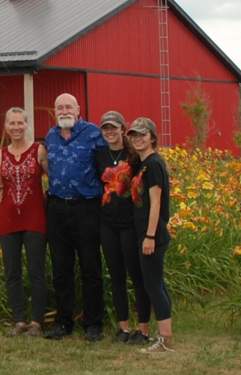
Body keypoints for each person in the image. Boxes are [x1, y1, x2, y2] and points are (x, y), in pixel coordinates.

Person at [42, 92, 107, 341]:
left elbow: (109, 165)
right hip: (57, 209)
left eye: (69, 106)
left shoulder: (94, 134)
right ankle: (63, 322)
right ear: (55, 111)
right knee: (61, 268)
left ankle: (93, 324)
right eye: (59, 107)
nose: (64, 111)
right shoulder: (51, 136)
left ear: (78, 109)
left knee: (90, 267)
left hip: (86, 208)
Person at [94, 111, 150, 345]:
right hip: (107, 222)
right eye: (105, 128)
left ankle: (143, 329)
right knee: (116, 276)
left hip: (129, 224)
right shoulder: (98, 155)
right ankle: (123, 327)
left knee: (137, 277)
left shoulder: (134, 155)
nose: (109, 132)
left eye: (114, 128)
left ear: (122, 129)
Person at [0, 107, 47, 337]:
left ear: (26, 125)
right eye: (11, 123)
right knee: (12, 271)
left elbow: (51, 179)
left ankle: (37, 322)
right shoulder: (0, 155)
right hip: (7, 219)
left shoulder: (38, 150)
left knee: (37, 270)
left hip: (35, 217)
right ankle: (19, 320)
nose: (16, 127)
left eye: (20, 123)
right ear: (6, 127)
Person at [128, 117, 175, 353]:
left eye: (142, 134)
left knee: (153, 285)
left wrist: (150, 236)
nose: (137, 138)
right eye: (134, 134)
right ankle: (165, 334)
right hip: (145, 233)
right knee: (156, 283)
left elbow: (156, 203)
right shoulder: (144, 163)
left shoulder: (154, 164)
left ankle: (165, 339)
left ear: (152, 137)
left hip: (152, 235)